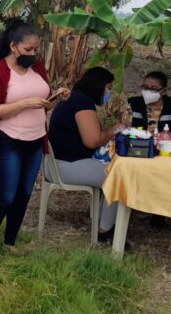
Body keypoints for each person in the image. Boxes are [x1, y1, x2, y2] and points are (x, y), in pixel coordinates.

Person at [0, 20, 66, 260]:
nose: (33, 54)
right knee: (6, 197)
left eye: (36, 49)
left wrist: (57, 97)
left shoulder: (37, 68)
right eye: (28, 50)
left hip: (36, 140)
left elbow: (42, 104)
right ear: (13, 46)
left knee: (24, 195)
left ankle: (10, 242)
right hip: (10, 142)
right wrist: (25, 103)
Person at [49, 67, 124, 244]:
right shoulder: (82, 103)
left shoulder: (74, 99)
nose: (109, 93)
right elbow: (92, 141)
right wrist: (114, 129)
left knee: (115, 170)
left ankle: (103, 219)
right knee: (120, 176)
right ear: (99, 86)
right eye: (109, 88)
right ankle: (105, 231)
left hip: (58, 163)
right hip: (67, 166)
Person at [128, 71, 171, 135]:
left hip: (167, 144)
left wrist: (166, 136)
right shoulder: (132, 104)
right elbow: (126, 129)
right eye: (145, 87)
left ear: (164, 91)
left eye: (153, 89)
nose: (148, 91)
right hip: (137, 143)